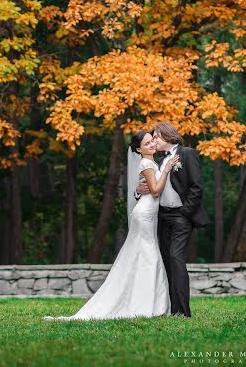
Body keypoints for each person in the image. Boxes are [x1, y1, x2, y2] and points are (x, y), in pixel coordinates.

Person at [44, 130, 180, 321]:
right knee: (148, 255)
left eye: (152, 141)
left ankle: (149, 303)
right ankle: (147, 305)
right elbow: (156, 191)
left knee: (143, 255)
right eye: (147, 143)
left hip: (148, 213)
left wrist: (143, 186)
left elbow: (150, 188)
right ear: (138, 149)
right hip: (145, 215)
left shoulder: (151, 162)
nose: (151, 145)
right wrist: (166, 170)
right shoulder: (147, 163)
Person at [135, 122, 211, 318]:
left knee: (177, 259)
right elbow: (153, 189)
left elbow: (197, 187)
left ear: (167, 136)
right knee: (167, 261)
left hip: (181, 216)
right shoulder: (159, 162)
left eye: (156, 138)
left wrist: (185, 213)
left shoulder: (187, 153)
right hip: (162, 217)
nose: (154, 141)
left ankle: (183, 312)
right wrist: (138, 192)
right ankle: (170, 309)